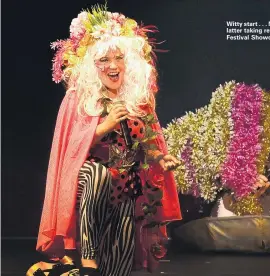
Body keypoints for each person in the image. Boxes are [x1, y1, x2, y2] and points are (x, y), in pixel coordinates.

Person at [28, 5, 182, 276]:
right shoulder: (78, 99)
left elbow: (148, 145)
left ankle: (77, 269)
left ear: (129, 62)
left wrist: (161, 158)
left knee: (117, 268)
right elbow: (69, 152)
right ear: (92, 66)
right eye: (104, 60)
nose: (113, 66)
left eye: (119, 58)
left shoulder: (139, 102)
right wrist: (102, 127)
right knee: (98, 173)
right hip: (85, 182)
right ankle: (87, 260)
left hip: (124, 184)